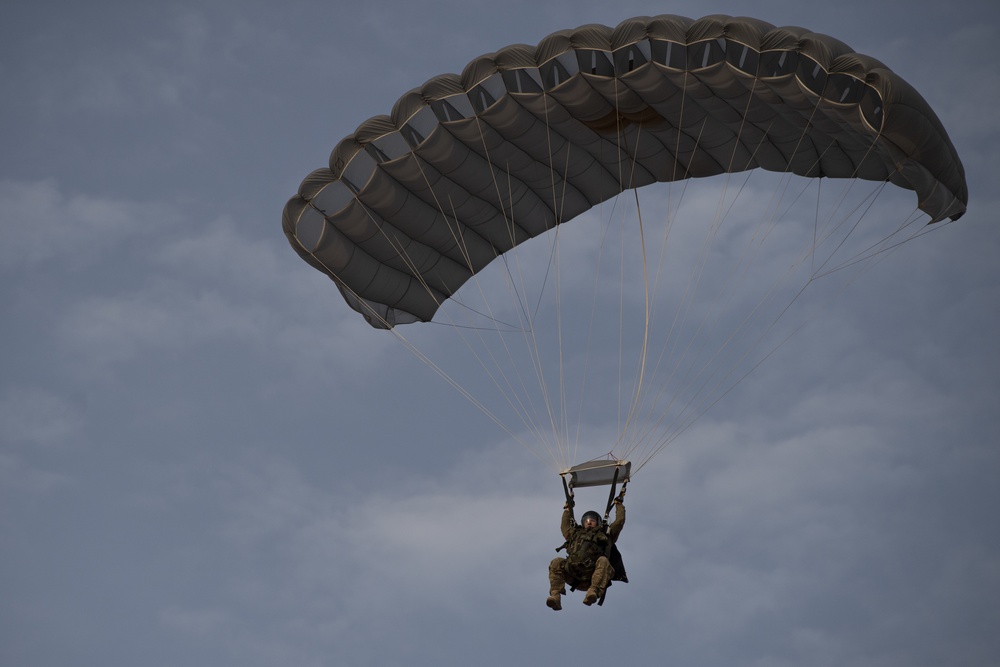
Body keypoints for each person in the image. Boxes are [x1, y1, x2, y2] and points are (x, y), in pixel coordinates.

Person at [546, 497, 625, 610]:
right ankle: (555, 596)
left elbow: (619, 522)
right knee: (556, 562)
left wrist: (619, 505)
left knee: (603, 561)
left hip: (592, 577)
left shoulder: (607, 534)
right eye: (587, 521)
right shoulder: (574, 534)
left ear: (597, 522)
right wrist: (568, 509)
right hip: (574, 575)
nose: (589, 523)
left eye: (592, 521)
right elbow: (565, 526)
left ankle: (593, 592)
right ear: (583, 522)